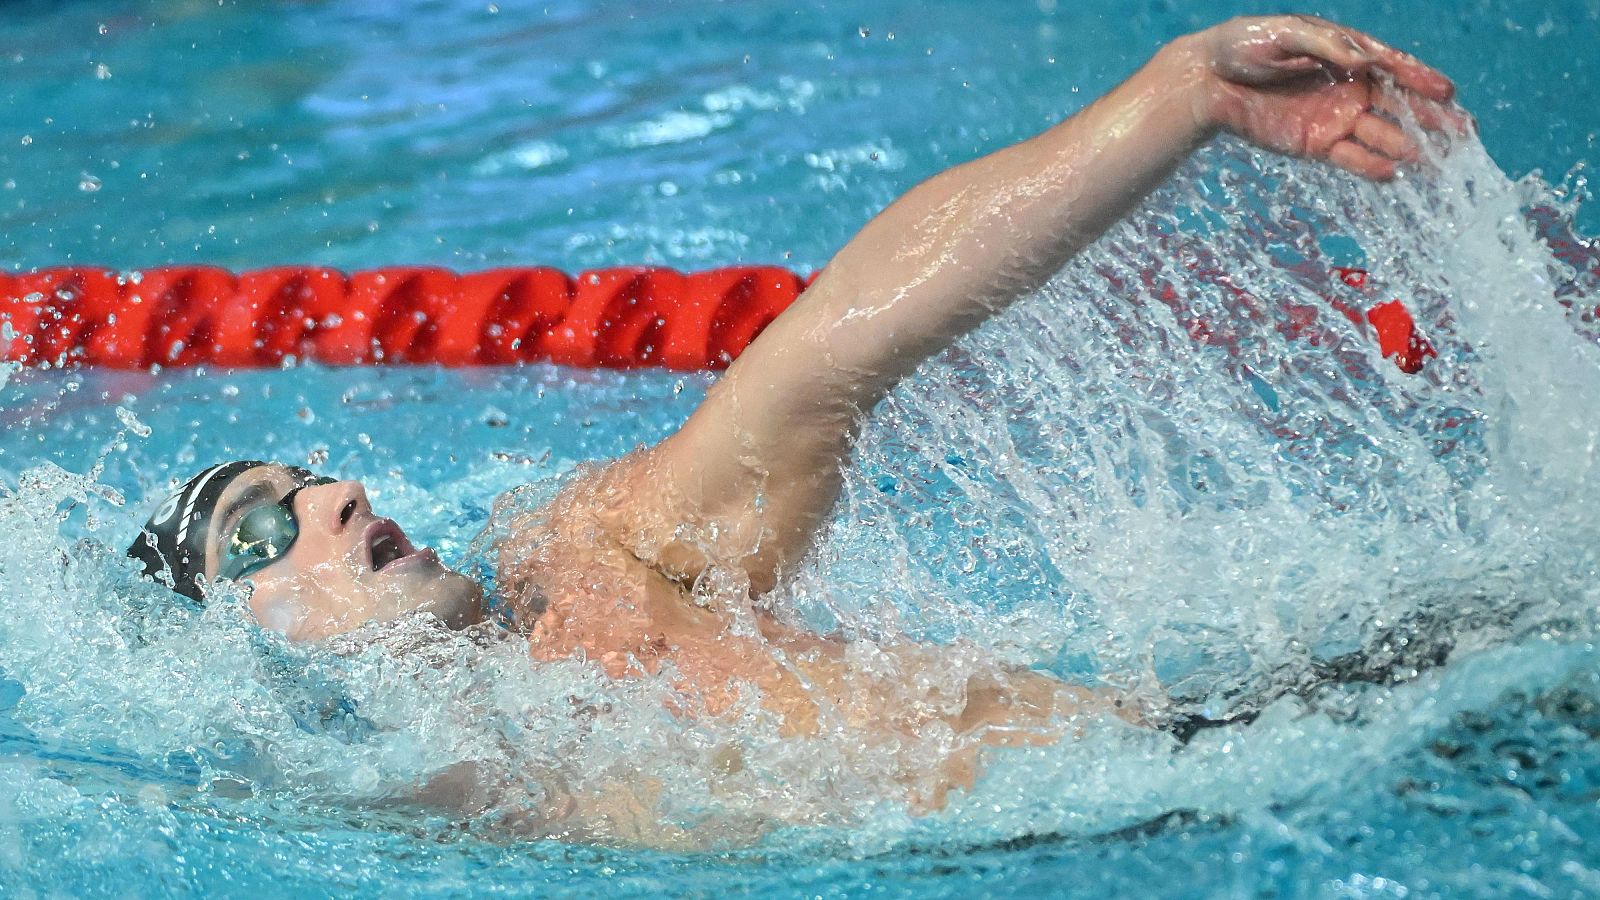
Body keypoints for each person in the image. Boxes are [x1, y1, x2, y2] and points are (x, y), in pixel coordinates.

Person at [127, 15, 1458, 843]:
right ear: (233, 658)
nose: (340, 493)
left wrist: (1180, 98)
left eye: (309, 477)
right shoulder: (391, 821)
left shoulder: (588, 565)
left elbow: (835, 343)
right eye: (264, 529)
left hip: (1321, 754)